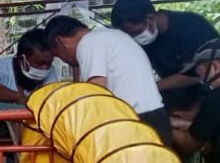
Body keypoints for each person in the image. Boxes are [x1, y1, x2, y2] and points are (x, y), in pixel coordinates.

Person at [44, 15, 173, 147]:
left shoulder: (89, 43)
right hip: (157, 117)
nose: (65, 61)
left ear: (60, 42)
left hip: (134, 121)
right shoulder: (113, 36)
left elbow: (97, 92)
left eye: (59, 56)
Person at [110, 0, 220, 90]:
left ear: (150, 18)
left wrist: (151, 88)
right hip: (177, 96)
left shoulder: (191, 25)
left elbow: (196, 74)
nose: (134, 37)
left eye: (135, 32)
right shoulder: (143, 42)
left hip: (213, 90)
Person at [0, 27, 60, 105]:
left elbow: (52, 95)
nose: (44, 68)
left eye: (48, 63)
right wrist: (18, 97)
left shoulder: (50, 71)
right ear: (21, 60)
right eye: (39, 63)